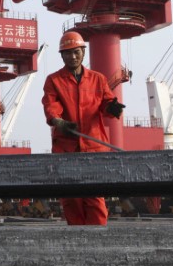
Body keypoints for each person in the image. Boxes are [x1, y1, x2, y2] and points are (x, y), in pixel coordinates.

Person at [42, 31, 125, 225]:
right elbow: (51, 106)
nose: (73, 56)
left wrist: (112, 107)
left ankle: (98, 243)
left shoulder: (98, 79)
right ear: (62, 56)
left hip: (93, 148)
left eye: (76, 52)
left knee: (95, 198)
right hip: (66, 148)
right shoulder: (54, 80)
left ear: (83, 52)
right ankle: (77, 243)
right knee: (71, 198)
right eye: (68, 53)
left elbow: (105, 102)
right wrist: (58, 122)